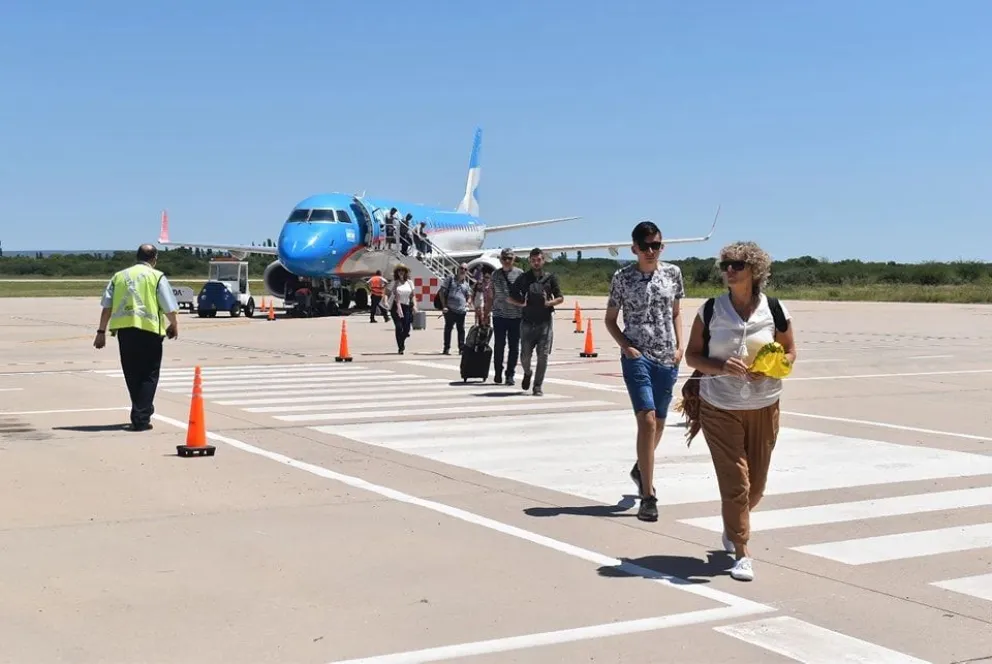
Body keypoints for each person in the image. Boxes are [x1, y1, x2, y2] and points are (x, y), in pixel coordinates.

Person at [683, 241, 797, 582]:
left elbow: (791, 353)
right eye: (725, 265)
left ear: (755, 271)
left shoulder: (775, 309)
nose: (728, 271)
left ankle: (733, 523)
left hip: (764, 405)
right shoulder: (710, 310)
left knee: (755, 487)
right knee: (736, 484)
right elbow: (692, 357)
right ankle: (742, 551)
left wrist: (773, 366)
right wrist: (718, 367)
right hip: (720, 404)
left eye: (737, 265)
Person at [604, 221, 685, 523]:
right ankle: (648, 496)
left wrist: (680, 347)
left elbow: (676, 312)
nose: (652, 251)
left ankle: (641, 468)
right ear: (634, 248)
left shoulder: (673, 274)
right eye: (646, 246)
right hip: (637, 355)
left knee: (660, 423)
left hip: (667, 356)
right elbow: (610, 320)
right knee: (647, 420)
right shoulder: (622, 278)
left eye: (657, 245)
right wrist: (626, 347)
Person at [93, 244, 180, 431]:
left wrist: (101, 332)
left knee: (132, 374)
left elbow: (107, 307)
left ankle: (142, 409)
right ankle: (141, 417)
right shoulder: (157, 277)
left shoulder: (119, 276)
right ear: (154, 258)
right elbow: (168, 306)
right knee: (149, 374)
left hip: (126, 332)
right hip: (150, 332)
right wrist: (174, 324)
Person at [508, 248, 563, 396]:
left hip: (545, 323)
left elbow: (560, 298)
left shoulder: (550, 278)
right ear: (530, 262)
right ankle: (527, 372)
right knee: (525, 355)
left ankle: (537, 386)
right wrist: (521, 303)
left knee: (543, 355)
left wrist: (549, 303)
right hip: (527, 322)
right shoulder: (523, 278)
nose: (536, 263)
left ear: (543, 260)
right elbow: (510, 296)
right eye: (533, 260)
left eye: (539, 260)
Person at [489, 248, 523, 386]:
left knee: (514, 347)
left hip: (516, 316)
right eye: (504, 259)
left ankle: (510, 374)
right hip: (499, 315)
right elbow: (495, 294)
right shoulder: (495, 275)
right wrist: (486, 312)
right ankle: (498, 372)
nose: (507, 261)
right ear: (500, 259)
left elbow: (524, 292)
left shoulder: (520, 274)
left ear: (513, 259)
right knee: (499, 345)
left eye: (509, 258)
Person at [439, 264, 473, 355]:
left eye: (465, 269)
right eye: (461, 268)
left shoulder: (466, 284)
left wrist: (467, 303)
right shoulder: (450, 279)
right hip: (450, 309)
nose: (463, 270)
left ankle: (461, 348)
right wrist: (444, 306)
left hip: (461, 311)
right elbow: (442, 292)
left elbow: (469, 296)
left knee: (461, 330)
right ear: (458, 269)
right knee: (448, 328)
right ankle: (446, 348)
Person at [384, 263, 418, 354]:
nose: (401, 272)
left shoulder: (410, 283)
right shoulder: (394, 283)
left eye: (403, 270)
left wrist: (414, 305)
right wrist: (386, 302)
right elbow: (386, 293)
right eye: (399, 270)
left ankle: (401, 340)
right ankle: (401, 347)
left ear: (406, 272)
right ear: (397, 272)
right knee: (399, 327)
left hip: (406, 307)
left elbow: (413, 296)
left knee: (406, 329)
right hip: (396, 307)